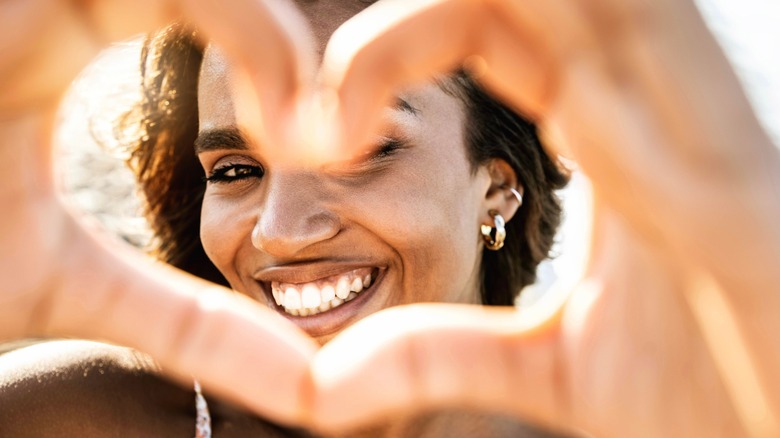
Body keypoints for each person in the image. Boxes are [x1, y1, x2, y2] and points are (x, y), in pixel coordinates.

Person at [0, 0, 778, 437]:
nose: (279, 229)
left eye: (362, 151)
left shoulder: (659, 421)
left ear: (497, 187)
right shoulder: (74, 420)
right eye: (235, 171)